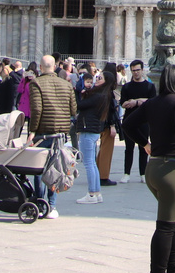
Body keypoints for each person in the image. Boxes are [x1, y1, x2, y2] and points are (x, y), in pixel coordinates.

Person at [123, 63, 175, 273]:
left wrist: (144, 143)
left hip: (154, 168)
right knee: (166, 226)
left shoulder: (152, 102)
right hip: (172, 171)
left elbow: (128, 124)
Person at [27, 54, 77, 218]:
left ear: (40, 68)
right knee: (56, 168)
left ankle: (40, 204)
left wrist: (32, 132)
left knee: (39, 170)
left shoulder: (36, 83)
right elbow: (73, 110)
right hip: (60, 133)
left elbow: (36, 110)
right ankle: (52, 206)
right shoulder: (66, 85)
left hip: (42, 133)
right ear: (55, 66)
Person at [75, 67, 115, 205]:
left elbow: (79, 105)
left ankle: (92, 193)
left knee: (89, 163)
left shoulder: (98, 95)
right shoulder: (102, 95)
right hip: (92, 130)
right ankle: (96, 193)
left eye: (100, 78)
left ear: (105, 82)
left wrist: (76, 92)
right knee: (92, 163)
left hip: (88, 130)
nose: (96, 79)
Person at [120, 59, 157, 184]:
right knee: (128, 148)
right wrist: (141, 101)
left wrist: (135, 101)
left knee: (144, 147)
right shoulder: (126, 86)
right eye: (133, 71)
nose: (135, 73)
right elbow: (123, 103)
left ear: (142, 70)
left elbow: (152, 102)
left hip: (144, 121)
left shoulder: (149, 86)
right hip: (129, 120)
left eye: (137, 70)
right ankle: (126, 173)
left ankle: (143, 174)